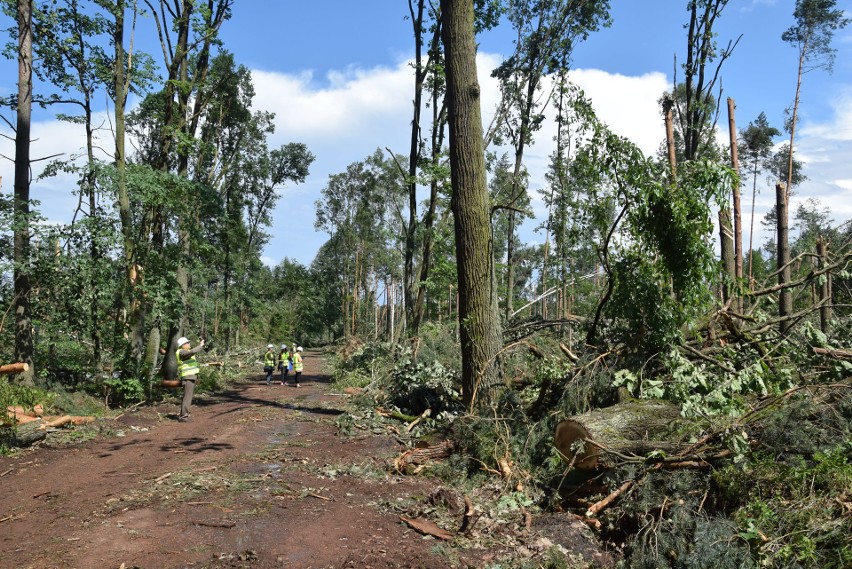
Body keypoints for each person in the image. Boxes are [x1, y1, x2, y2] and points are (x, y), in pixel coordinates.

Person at [176, 336, 205, 422]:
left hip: (190, 377)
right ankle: (184, 416)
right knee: (187, 398)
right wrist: (200, 345)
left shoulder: (185, 352)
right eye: (187, 343)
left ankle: (185, 415)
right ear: (183, 345)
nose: (189, 344)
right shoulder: (181, 352)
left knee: (187, 397)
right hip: (188, 377)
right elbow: (192, 352)